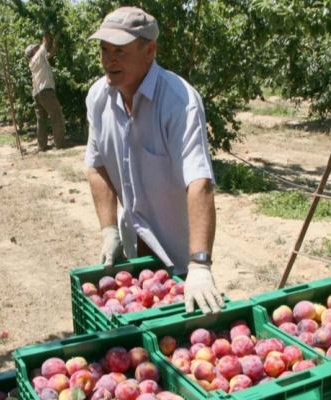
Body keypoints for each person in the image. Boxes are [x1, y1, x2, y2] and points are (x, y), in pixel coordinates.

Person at [84, 7, 225, 314]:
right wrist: (109, 230)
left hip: (179, 259)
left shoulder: (178, 101)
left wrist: (200, 264)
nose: (109, 60)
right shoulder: (98, 97)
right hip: (133, 252)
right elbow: (96, 165)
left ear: (149, 50)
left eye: (120, 50)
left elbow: (199, 180)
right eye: (104, 50)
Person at [25, 32, 65, 151]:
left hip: (36, 93)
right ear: (32, 52)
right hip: (45, 91)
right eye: (35, 48)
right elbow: (45, 43)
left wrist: (56, 41)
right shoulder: (38, 56)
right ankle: (59, 143)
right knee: (56, 116)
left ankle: (42, 146)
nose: (37, 48)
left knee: (41, 120)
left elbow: (51, 53)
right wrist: (47, 29)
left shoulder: (35, 61)